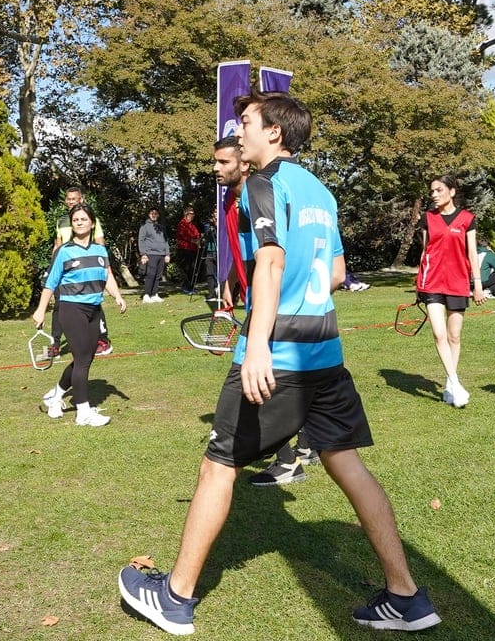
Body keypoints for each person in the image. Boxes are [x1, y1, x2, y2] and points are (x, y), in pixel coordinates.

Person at [119, 90, 439, 634]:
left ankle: (175, 597)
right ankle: (406, 596)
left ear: (274, 133)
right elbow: (335, 272)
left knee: (218, 465)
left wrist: (260, 342)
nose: (237, 130)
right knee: (347, 464)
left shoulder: (262, 185)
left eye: (245, 122)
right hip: (326, 352)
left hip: (282, 352)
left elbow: (269, 263)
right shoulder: (320, 191)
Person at [211, 134, 320, 488]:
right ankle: (309, 444)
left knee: (261, 384)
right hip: (263, 303)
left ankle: (289, 462)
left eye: (224, 162)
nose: (216, 168)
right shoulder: (232, 201)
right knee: (290, 382)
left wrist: (261, 319)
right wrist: (228, 295)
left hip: (276, 306)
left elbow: (272, 261)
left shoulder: (262, 193)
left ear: (244, 163)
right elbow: (243, 257)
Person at [31, 204, 127, 426]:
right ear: (72, 225)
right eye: (75, 220)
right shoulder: (64, 251)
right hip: (71, 309)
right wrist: (40, 310)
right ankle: (83, 412)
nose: (80, 222)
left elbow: (107, 276)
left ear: (92, 223)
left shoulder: (100, 250)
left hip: (94, 310)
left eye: (84, 219)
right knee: (83, 360)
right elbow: (50, 283)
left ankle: (55, 395)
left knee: (85, 358)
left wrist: (118, 296)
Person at [413, 174, 486, 408]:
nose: (434, 194)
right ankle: (455, 383)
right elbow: (425, 253)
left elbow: (472, 254)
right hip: (432, 283)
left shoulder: (467, 219)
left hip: (458, 283)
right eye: (432, 191)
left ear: (452, 192)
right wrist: (419, 284)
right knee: (439, 334)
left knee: (454, 336)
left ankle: (448, 384)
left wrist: (477, 285)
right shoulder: (427, 218)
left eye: (439, 190)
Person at [50, 187, 115, 355]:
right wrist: (52, 267)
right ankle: (55, 344)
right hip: (65, 270)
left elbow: (100, 244)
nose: (71, 201)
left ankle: (102, 340)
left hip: (87, 269)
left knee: (93, 304)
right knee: (59, 306)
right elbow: (57, 246)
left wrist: (104, 268)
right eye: (68, 198)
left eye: (74, 198)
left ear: (81, 200)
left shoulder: (90, 220)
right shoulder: (61, 221)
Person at [139, 207, 173, 303]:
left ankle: (154, 294)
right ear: (149, 214)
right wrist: (143, 254)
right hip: (150, 254)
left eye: (155, 213)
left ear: (158, 215)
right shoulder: (144, 226)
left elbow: (166, 241)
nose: (154, 215)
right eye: (152, 213)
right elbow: (141, 240)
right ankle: (146, 295)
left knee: (158, 275)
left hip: (161, 254)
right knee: (151, 274)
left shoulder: (161, 228)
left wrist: (167, 254)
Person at [174, 206, 203, 295]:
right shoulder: (181, 224)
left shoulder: (192, 225)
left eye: (193, 214)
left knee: (192, 269)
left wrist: (199, 240)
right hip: (184, 249)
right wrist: (193, 240)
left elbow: (197, 234)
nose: (192, 216)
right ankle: (185, 287)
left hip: (193, 250)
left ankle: (191, 287)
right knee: (185, 269)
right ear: (186, 214)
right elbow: (183, 236)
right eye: (190, 214)